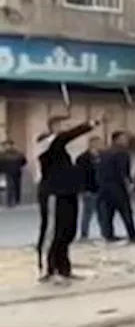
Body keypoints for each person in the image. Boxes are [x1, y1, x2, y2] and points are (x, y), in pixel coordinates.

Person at [34, 116, 96, 283]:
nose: (67, 129)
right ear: (54, 127)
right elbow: (64, 137)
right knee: (52, 232)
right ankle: (47, 270)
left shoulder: (62, 148)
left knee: (67, 231)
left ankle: (64, 268)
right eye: (64, 126)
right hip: (54, 193)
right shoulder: (46, 142)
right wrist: (90, 123)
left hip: (68, 193)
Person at [96, 130, 135, 243]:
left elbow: (98, 172)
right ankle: (132, 235)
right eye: (124, 138)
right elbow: (123, 172)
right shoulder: (122, 153)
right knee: (126, 211)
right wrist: (129, 184)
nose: (126, 141)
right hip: (118, 187)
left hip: (104, 187)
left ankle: (109, 235)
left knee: (108, 212)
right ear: (117, 140)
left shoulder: (103, 153)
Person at [74, 136, 105, 240]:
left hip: (101, 189)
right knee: (87, 213)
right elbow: (80, 176)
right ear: (91, 144)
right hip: (89, 189)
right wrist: (83, 189)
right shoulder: (82, 158)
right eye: (97, 143)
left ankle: (105, 232)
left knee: (102, 213)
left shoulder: (103, 156)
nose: (100, 145)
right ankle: (84, 234)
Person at [0, 140, 26, 207]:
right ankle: (15, 200)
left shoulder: (3, 154)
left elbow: (24, 161)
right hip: (15, 171)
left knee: (12, 186)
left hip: (10, 171)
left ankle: (11, 201)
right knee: (15, 185)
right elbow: (24, 161)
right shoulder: (18, 153)